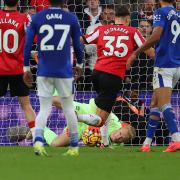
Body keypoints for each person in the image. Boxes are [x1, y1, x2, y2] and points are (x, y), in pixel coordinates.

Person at [80, 5, 154, 146]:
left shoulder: (101, 29)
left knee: (105, 108)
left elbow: (82, 40)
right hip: (112, 76)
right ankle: (76, 117)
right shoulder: (133, 31)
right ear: (127, 19)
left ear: (115, 18)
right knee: (100, 118)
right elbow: (150, 52)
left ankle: (104, 142)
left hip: (96, 74)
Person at [23, 0, 83, 156]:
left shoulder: (38, 17)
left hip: (44, 70)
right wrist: (81, 65)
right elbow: (77, 44)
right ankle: (74, 147)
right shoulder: (70, 18)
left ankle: (37, 142)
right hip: (64, 71)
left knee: (44, 109)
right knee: (68, 108)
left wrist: (26, 68)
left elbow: (28, 44)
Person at [127, 0, 180, 152]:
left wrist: (136, 52)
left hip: (164, 65)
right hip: (176, 65)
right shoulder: (178, 14)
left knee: (164, 104)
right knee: (155, 104)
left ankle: (176, 139)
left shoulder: (160, 12)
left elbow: (156, 35)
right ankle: (147, 144)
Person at [7, 97, 136, 146]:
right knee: (58, 102)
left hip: (79, 130)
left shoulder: (118, 147)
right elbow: (103, 115)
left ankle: (38, 129)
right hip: (86, 113)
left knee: (55, 144)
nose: (118, 137)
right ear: (120, 128)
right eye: (120, 133)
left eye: (121, 138)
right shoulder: (114, 123)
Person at [0, 0, 36, 139]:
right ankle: (36, 138)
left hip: (0, 69)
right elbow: (33, 38)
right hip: (17, 69)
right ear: (19, 2)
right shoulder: (25, 18)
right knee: (26, 105)